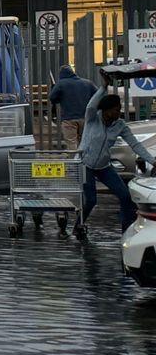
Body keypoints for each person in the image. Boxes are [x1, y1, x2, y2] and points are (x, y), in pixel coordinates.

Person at [79, 90, 154, 232]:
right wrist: (103, 87)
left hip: (104, 166)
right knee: (90, 200)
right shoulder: (92, 118)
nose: (119, 112)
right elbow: (90, 106)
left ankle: (126, 230)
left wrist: (152, 160)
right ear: (106, 111)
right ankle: (79, 224)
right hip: (85, 164)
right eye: (116, 110)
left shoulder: (120, 125)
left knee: (125, 196)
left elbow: (135, 145)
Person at [49, 65, 97, 149]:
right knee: (84, 141)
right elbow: (97, 96)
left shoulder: (61, 84)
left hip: (69, 119)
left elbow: (52, 97)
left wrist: (60, 98)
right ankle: (84, 159)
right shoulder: (88, 83)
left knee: (71, 143)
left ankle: (74, 160)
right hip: (85, 118)